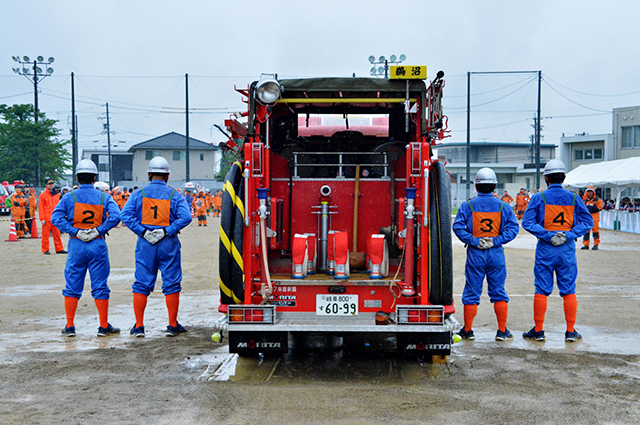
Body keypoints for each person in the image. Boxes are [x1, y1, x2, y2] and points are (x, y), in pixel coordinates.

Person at [521, 159, 593, 342]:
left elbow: (528, 222)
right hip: (566, 249)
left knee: (541, 289)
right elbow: (588, 222)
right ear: (564, 177)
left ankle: (538, 331)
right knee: (568, 290)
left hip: (546, 248)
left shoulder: (538, 198)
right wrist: (568, 235)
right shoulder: (575, 198)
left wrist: (546, 235)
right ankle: (570, 331)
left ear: (546, 178)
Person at [120, 157, 192, 337]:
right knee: (172, 283)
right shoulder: (174, 194)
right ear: (167, 175)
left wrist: (143, 232)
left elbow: (125, 215)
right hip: (168, 242)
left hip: (146, 244)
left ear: (149, 174)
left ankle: (139, 326)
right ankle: (172, 324)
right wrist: (166, 231)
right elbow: (186, 217)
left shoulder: (138, 194)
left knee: (142, 283)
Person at [51, 159, 121, 337]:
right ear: (95, 178)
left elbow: (56, 219)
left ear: (77, 177)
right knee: (100, 285)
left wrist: (75, 231)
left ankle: (70, 326)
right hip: (97, 243)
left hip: (77, 243)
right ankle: (103, 326)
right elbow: (115, 216)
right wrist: (99, 229)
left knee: (72, 285)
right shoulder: (105, 196)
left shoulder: (69, 197)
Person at [453, 168, 520, 341]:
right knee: (498, 291)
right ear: (495, 186)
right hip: (495, 253)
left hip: (475, 253)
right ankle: (502, 331)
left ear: (475, 186)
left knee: (471, 291)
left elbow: (458, 227)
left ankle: (467, 330)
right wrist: (495, 241)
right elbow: (513, 228)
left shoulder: (467, 205)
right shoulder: (504, 206)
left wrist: (475, 241)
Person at [39, 178, 66, 254]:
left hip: (55, 218)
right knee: (45, 235)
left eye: (52, 184)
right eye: (49, 184)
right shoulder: (43, 195)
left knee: (57, 234)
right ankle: (45, 249)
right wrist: (42, 218)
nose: (51, 185)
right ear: (46, 185)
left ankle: (59, 248)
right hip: (47, 218)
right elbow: (41, 207)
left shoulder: (56, 195)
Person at [582, 186, 604, 250]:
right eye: (588, 192)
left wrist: (592, 208)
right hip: (587, 218)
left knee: (595, 232)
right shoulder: (584, 200)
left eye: (591, 192)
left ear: (593, 192)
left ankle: (596, 244)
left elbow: (600, 207)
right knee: (586, 232)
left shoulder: (598, 200)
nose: (589, 193)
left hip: (595, 218)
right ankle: (586, 244)